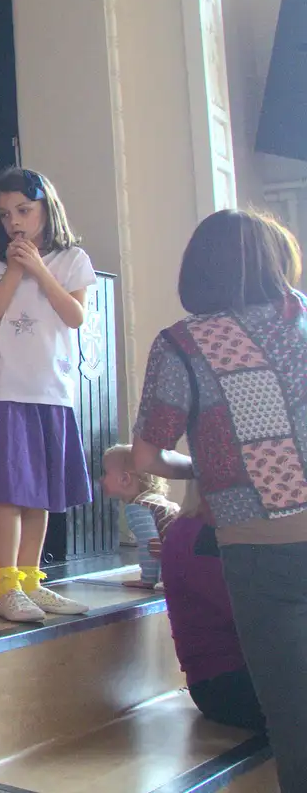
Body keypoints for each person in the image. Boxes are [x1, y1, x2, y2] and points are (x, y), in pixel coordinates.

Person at [132, 209, 307, 786]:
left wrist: (202, 466)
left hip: (263, 551)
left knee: (297, 724)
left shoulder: (184, 344)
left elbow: (146, 458)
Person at [0, 167, 96, 622]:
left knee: (40, 492)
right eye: (5, 215)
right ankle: (5, 588)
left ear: (46, 208)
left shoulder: (71, 259)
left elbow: (75, 316)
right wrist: (15, 271)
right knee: (10, 489)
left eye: (24, 210)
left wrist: (38, 269)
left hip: (53, 390)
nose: (15, 222)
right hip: (5, 389)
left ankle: (30, 581)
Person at [159, 484, 267, 733]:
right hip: (224, 682)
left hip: (253, 673)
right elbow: (253, 617)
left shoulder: (222, 529)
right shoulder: (202, 535)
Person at [101, 445, 180, 589]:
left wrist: (147, 580)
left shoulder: (138, 506)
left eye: (105, 473)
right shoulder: (156, 501)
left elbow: (149, 546)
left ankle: (168, 580)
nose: (101, 479)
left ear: (125, 479)